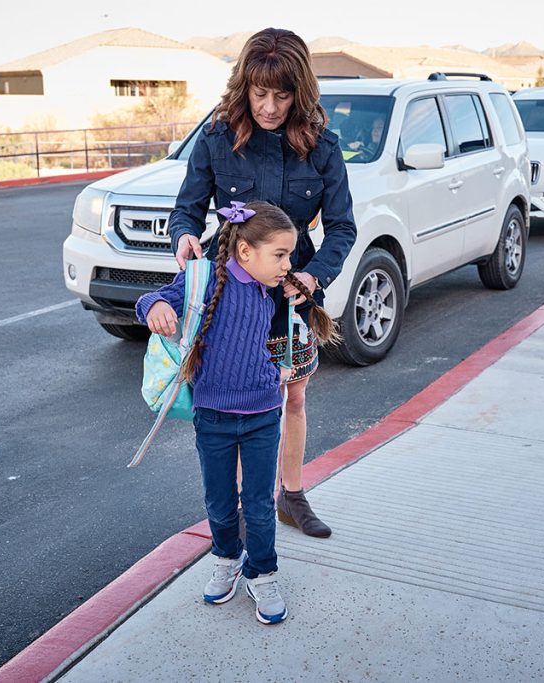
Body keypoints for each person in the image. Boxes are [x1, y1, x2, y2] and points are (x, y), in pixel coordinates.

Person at [169, 28, 356, 538]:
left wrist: (314, 277)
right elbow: (185, 211)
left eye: (282, 94)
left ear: (300, 91)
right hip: (228, 299)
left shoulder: (321, 147)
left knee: (292, 399)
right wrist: (185, 237)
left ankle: (290, 498)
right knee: (229, 408)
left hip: (292, 299)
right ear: (244, 87)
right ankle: (233, 514)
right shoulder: (215, 138)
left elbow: (342, 227)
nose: (269, 106)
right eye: (259, 93)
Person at [136, 201, 340, 624]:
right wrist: (154, 307)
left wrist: (302, 294)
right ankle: (226, 558)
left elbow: (289, 321)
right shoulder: (207, 279)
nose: (288, 263)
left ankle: (262, 572)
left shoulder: (274, 288)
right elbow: (155, 297)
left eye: (289, 255)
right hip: (212, 417)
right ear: (246, 251)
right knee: (221, 501)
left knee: (260, 505)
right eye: (281, 255)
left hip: (264, 413)